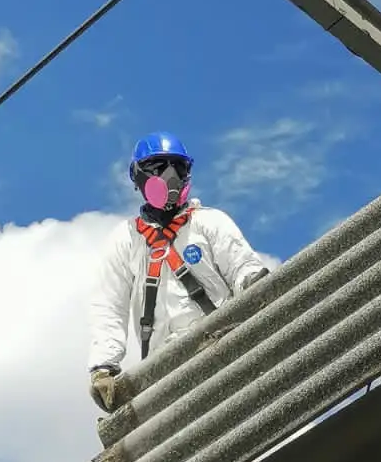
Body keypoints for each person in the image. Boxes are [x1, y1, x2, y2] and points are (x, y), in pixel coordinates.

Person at [88, 132, 269, 412]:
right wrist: (104, 366)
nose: (170, 176)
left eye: (178, 167)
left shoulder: (208, 222)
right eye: (159, 167)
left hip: (222, 345)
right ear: (138, 176)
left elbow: (244, 268)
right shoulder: (126, 240)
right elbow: (109, 306)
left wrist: (259, 291)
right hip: (165, 369)